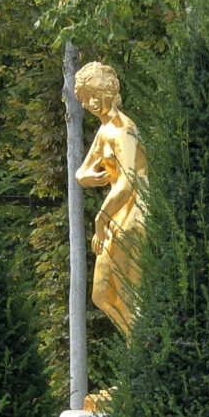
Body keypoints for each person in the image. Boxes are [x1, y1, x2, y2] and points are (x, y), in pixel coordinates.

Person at [74, 61, 149, 338]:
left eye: (93, 95)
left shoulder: (124, 130)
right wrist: (86, 178)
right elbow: (82, 171)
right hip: (116, 214)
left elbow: (128, 183)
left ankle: (141, 352)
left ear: (106, 91)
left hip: (135, 213)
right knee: (102, 294)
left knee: (129, 294)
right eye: (84, 99)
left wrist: (100, 220)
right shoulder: (104, 130)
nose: (89, 104)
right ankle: (137, 348)